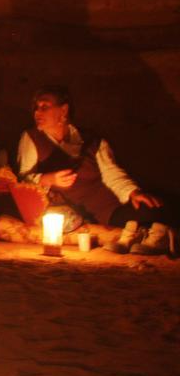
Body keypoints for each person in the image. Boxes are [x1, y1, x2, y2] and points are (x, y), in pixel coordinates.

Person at [18, 85, 173, 255]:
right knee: (155, 213)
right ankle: (147, 232)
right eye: (36, 107)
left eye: (44, 107)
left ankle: (152, 234)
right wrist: (48, 179)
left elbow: (112, 173)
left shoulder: (92, 141)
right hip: (76, 212)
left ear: (64, 110)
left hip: (107, 207)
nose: (37, 112)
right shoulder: (32, 138)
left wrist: (133, 192)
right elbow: (23, 180)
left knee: (154, 206)